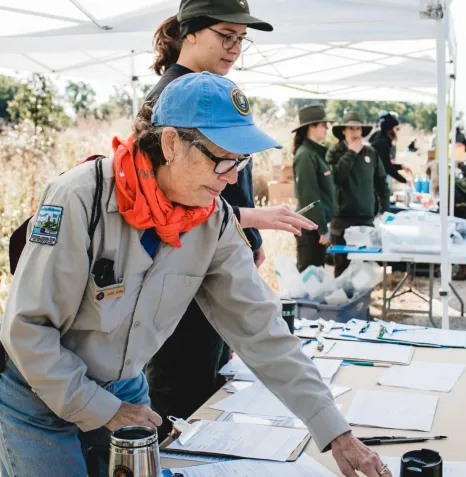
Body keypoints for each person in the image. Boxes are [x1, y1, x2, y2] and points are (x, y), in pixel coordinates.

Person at [0, 73, 389, 477]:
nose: (232, 177)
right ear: (171, 143)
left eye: (241, 161)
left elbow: (261, 329)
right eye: (223, 159)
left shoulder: (211, 221)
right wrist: (103, 409)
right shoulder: (79, 197)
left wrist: (336, 432)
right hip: (35, 385)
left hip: (119, 381)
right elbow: (28, 330)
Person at [142, 0, 318, 439]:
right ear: (191, 32)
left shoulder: (216, 90)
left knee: (214, 396)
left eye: (242, 39)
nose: (236, 47)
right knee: (184, 407)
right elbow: (160, 207)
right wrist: (254, 217)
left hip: (214, 269)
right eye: (226, 35)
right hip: (183, 279)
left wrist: (248, 238)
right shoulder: (169, 98)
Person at [327, 111, 391, 278]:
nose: (355, 132)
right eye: (351, 128)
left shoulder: (371, 153)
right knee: (342, 266)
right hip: (341, 219)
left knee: (364, 269)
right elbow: (336, 178)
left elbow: (381, 182)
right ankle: (341, 302)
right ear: (343, 131)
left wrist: (384, 207)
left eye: (358, 129)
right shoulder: (334, 153)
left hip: (365, 218)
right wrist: (351, 153)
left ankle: (363, 303)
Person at [292, 104, 336, 271]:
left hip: (315, 226)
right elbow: (309, 195)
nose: (327, 128)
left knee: (316, 279)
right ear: (311, 126)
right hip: (311, 229)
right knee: (307, 283)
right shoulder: (305, 155)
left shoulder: (314, 153)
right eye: (324, 124)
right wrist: (322, 228)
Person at [369, 111, 412, 185]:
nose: (397, 131)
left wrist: (401, 166)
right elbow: (387, 167)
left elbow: (384, 163)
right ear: (390, 129)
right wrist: (404, 180)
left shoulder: (377, 135)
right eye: (396, 128)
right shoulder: (383, 143)